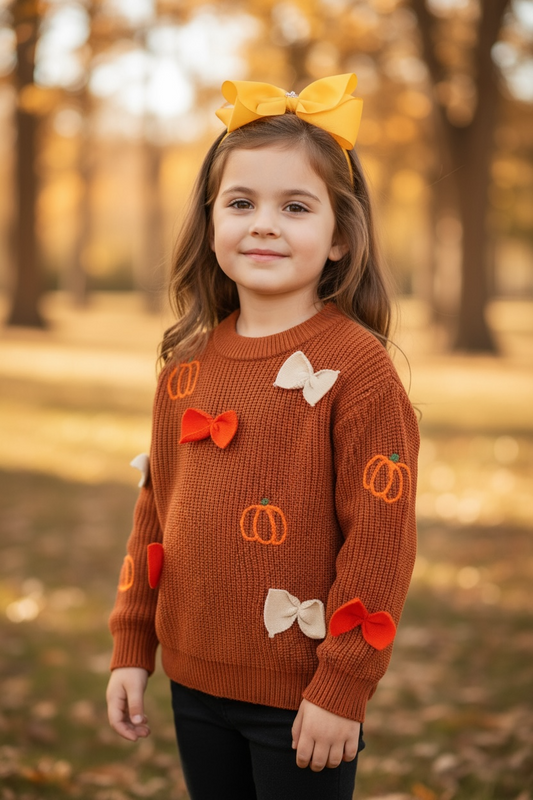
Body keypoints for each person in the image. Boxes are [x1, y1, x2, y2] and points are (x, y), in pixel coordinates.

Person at [106, 73, 419, 800]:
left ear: (340, 236)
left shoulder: (357, 371)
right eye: (241, 203)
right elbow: (154, 516)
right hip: (193, 678)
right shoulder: (185, 370)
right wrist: (133, 644)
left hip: (302, 697)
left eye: (295, 206)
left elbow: (380, 539)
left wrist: (341, 684)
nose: (264, 224)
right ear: (210, 220)